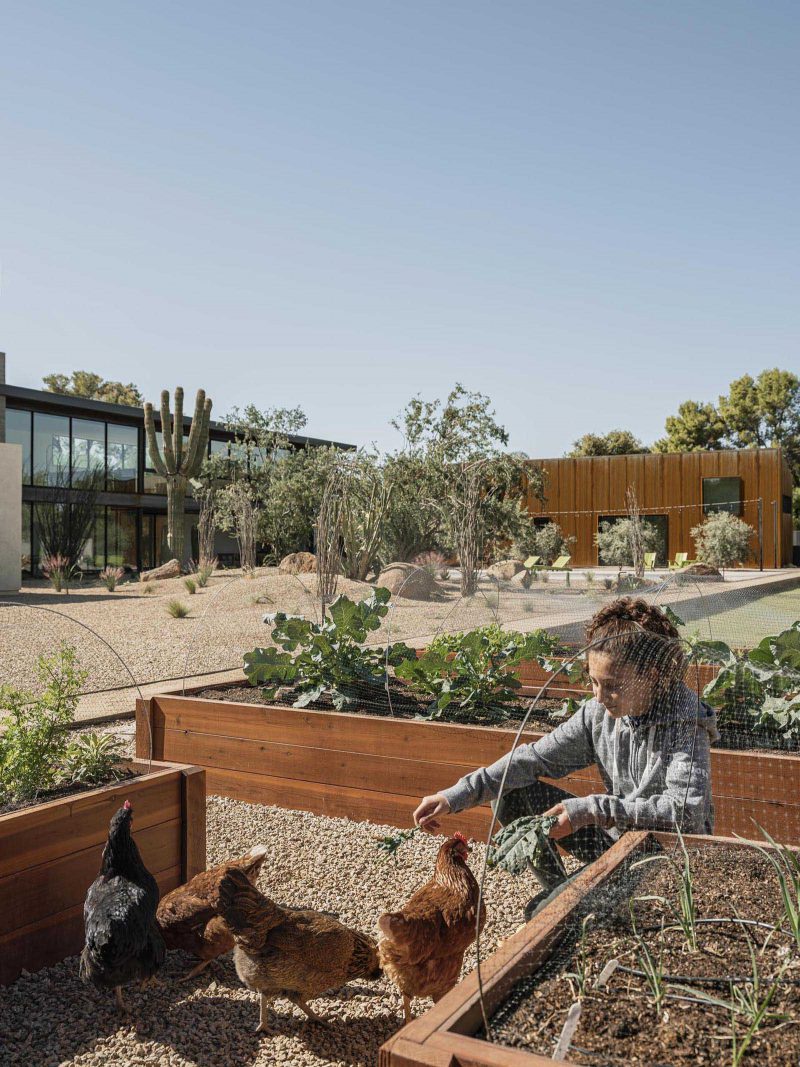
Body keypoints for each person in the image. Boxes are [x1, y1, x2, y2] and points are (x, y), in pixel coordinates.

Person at [413, 597, 718, 917]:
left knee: (537, 914)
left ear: (652, 675)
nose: (599, 697)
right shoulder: (599, 715)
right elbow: (530, 760)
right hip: (615, 845)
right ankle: (570, 895)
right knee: (511, 793)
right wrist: (453, 796)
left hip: (664, 861)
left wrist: (591, 809)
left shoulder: (685, 725)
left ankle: (586, 905)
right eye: (593, 681)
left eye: (611, 686)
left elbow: (688, 814)